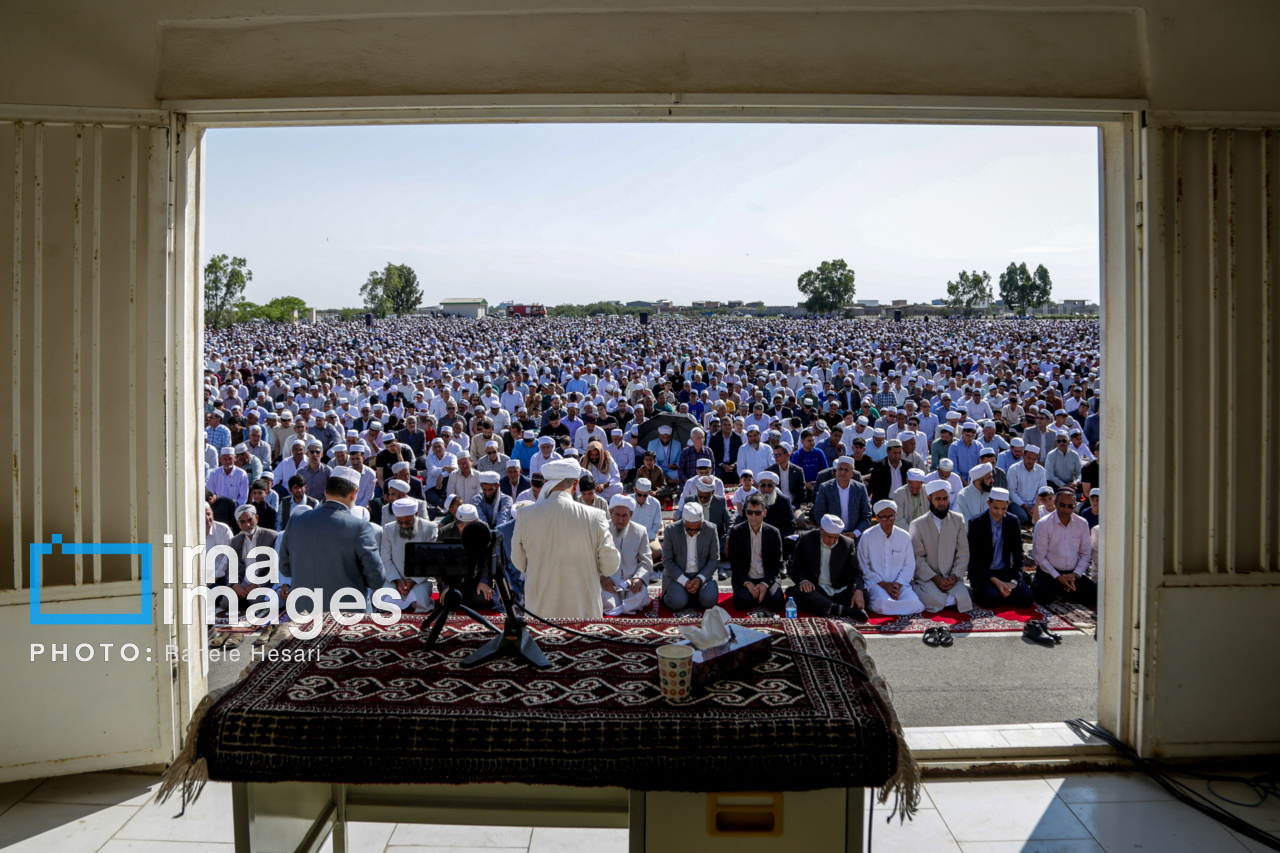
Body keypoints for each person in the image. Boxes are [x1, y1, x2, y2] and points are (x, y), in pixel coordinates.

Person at [510, 459, 620, 618]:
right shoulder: (596, 516)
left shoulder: (524, 515)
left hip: (541, 615)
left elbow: (518, 562)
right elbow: (610, 566)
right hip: (583, 615)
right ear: (576, 484)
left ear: (546, 483)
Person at [278, 466, 386, 612]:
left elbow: (285, 568)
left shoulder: (296, 519)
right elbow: (376, 579)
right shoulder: (359, 527)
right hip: (346, 616)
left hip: (302, 612)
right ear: (353, 493)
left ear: (325, 491)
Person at [909, 480, 973, 613]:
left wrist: (954, 576)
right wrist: (935, 578)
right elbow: (917, 557)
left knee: (963, 597)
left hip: (951, 577)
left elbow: (962, 552)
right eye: (938, 499)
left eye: (945, 498)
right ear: (929, 499)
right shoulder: (918, 524)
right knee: (934, 599)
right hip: (928, 578)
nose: (942, 503)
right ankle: (918, 589)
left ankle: (947, 596)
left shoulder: (958, 520)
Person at [789, 515, 868, 620]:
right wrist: (804, 581)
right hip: (816, 588)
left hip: (838, 590)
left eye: (836, 537)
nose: (832, 541)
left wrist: (858, 590)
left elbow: (855, 572)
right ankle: (844, 610)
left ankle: (829, 608)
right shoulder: (806, 539)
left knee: (865, 596)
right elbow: (795, 569)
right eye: (829, 537)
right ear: (821, 529)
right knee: (801, 593)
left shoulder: (847, 543)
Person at [1030, 487, 1098, 607]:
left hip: (1072, 573)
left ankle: (1066, 588)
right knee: (1043, 597)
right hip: (1049, 572)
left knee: (1095, 594)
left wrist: (1075, 574)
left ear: (1075, 506)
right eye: (1062, 505)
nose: (1066, 509)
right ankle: (1036, 580)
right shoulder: (1043, 524)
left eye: (1070, 506)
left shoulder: (1082, 523)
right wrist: (1058, 577)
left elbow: (1086, 553)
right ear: (1055, 502)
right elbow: (1039, 556)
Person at [967, 487, 1034, 608]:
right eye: (996, 508)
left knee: (1027, 598)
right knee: (992, 598)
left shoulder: (1012, 521)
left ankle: (1004, 590)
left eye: (1003, 509)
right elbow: (975, 559)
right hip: (984, 573)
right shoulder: (976, 522)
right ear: (989, 503)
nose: (999, 512)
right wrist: (997, 582)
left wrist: (1014, 581)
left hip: (1004, 571)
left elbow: (1018, 553)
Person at [856, 500, 926, 616]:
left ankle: (895, 605)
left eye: (891, 516)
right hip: (876, 584)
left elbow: (909, 565)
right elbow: (863, 566)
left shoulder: (904, 536)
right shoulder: (867, 536)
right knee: (883, 603)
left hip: (900, 585)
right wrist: (884, 585)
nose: (888, 521)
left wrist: (897, 584)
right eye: (884, 517)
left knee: (914, 603)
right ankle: (896, 606)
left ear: (896, 516)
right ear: (877, 518)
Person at [377, 497, 438, 612]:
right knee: (384, 602)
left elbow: (429, 561)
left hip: (420, 579)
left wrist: (412, 581)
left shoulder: (430, 529)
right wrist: (397, 580)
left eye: (408, 522)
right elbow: (385, 558)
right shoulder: (389, 529)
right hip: (394, 578)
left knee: (419, 602)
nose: (404, 526)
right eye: (400, 522)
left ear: (416, 514)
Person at [727, 494, 785, 612]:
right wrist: (748, 583)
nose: (753, 516)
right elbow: (734, 563)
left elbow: (777, 563)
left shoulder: (774, 533)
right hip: (746, 577)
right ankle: (755, 594)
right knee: (742, 603)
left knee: (777, 602)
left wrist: (765, 584)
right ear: (746, 512)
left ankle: (761, 593)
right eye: (750, 512)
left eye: (757, 513)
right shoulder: (736, 531)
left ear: (764, 513)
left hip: (767, 577)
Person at [660, 502, 720, 611]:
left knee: (710, 600)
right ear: (683, 522)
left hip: (702, 573)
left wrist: (699, 579)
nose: (693, 532)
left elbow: (714, 559)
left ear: (702, 523)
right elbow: (667, 561)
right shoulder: (671, 530)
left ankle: (692, 595)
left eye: (697, 529)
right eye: (689, 529)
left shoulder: (711, 529)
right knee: (676, 602)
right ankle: (680, 595)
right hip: (678, 574)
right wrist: (684, 581)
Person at [600, 495, 654, 615]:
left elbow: (646, 561)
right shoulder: (601, 530)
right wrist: (602, 577)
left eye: (624, 515)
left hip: (631, 582)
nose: (620, 519)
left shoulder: (640, 531)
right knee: (604, 598)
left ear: (631, 515)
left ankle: (617, 610)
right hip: (609, 582)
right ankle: (625, 608)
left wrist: (639, 578)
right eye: (617, 515)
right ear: (611, 513)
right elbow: (592, 559)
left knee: (641, 596)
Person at [811, 456, 873, 538]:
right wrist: (833, 531)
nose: (842, 472)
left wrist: (855, 533)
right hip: (831, 534)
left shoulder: (860, 489)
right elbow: (819, 514)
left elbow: (867, 516)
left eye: (846, 470)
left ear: (852, 474)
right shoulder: (825, 488)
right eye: (840, 469)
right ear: (836, 471)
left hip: (854, 534)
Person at [1006, 444, 1047, 526]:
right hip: (1018, 503)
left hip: (1035, 503)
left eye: (1034, 459)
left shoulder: (1040, 470)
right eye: (1029, 458)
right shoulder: (1014, 469)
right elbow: (1011, 492)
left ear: (1037, 458)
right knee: (1022, 517)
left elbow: (1042, 490)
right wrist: (1025, 507)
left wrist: (1035, 505)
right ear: (1023, 455)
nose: (1031, 461)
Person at [630, 478, 664, 563]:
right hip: (630, 538)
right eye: (639, 495)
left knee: (657, 552)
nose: (642, 498)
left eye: (645, 495)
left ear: (649, 492)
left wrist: (645, 538)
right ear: (634, 490)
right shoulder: (628, 502)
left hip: (648, 538)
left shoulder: (655, 503)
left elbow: (657, 525)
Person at [754, 471, 795, 537]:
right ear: (759, 486)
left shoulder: (784, 501)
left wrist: (777, 538)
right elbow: (744, 523)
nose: (766, 488)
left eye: (770, 485)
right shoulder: (750, 500)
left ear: (775, 486)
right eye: (763, 485)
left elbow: (791, 525)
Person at [867, 438, 908, 503]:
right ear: (888, 451)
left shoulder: (907, 465)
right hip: (885, 503)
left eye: (899, 453)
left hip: (903, 503)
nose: (897, 456)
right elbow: (873, 487)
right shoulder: (879, 466)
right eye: (895, 453)